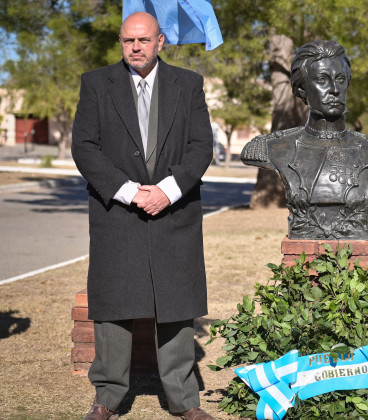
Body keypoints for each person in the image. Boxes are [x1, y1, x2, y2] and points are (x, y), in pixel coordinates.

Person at [71, 12, 215, 420]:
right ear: (121, 42)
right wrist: (130, 192)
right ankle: (108, 397)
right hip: (116, 210)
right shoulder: (96, 84)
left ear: (161, 42)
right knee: (114, 303)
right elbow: (85, 147)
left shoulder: (189, 85)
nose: (135, 47)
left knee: (175, 301)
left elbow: (200, 146)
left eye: (143, 40)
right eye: (127, 40)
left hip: (175, 210)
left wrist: (168, 190)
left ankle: (184, 400)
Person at [241, 40, 368, 240]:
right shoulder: (271, 148)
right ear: (302, 89)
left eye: (340, 79)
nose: (334, 89)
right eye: (322, 80)